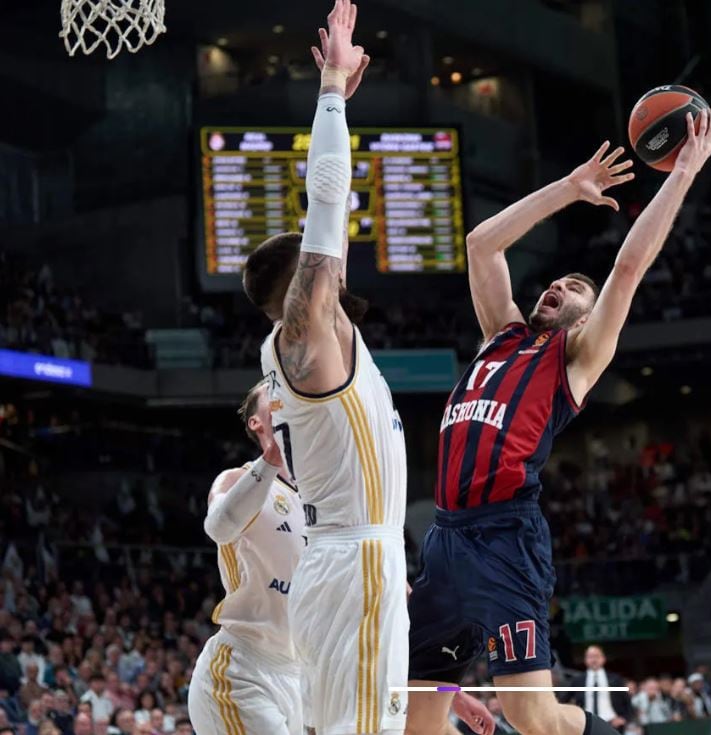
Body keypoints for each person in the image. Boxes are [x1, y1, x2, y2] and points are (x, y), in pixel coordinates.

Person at [405, 107, 711, 735]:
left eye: (575, 287)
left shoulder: (574, 357)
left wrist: (680, 174)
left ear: (586, 315)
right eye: (556, 280)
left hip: (504, 539)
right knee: (417, 723)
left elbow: (627, 269)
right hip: (444, 545)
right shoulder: (501, 335)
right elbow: (480, 243)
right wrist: (568, 190)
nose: (558, 285)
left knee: (534, 718)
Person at [242, 2, 411, 732]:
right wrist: (332, 95)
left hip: (340, 563)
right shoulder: (303, 332)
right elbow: (327, 199)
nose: (336, 258)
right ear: (301, 283)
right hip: (355, 565)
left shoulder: (317, 340)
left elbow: (329, 220)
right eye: (320, 257)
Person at [187, 381, 306, 735]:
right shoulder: (237, 478)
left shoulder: (319, 498)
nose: (286, 393)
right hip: (242, 670)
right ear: (257, 422)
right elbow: (219, 526)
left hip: (298, 675)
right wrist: (271, 458)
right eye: (274, 390)